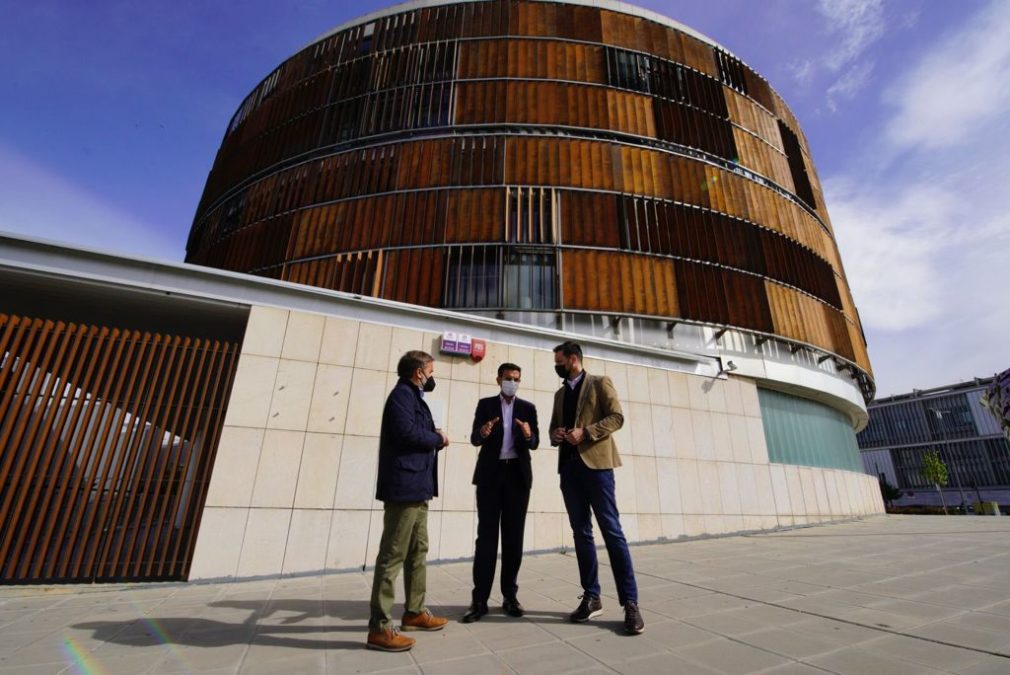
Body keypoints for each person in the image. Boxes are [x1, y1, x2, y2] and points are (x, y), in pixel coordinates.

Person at [549, 340, 645, 635]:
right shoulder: (560, 394)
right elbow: (554, 431)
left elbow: (617, 418)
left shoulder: (600, 383)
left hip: (598, 468)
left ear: (573, 360)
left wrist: (586, 432)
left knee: (612, 531)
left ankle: (630, 603)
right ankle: (592, 597)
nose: (557, 367)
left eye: (560, 362)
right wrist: (557, 434)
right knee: (581, 533)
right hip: (569, 470)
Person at [366, 350, 450, 651]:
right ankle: (379, 628)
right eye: (431, 370)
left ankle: (414, 612)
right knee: (392, 555)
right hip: (404, 487)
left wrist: (434, 438)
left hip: (419, 487)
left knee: (418, 551)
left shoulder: (416, 399)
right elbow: (406, 433)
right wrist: (438, 438)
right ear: (418, 372)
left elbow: (418, 434)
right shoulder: (401, 396)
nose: (432, 376)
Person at [463, 363, 540, 622]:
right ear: (499, 380)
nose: (512, 382)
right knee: (486, 539)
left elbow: (535, 442)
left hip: (517, 478)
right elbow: (474, 438)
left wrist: (529, 435)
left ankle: (510, 596)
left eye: (517, 379)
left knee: (513, 539)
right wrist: (483, 432)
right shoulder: (485, 405)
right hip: (490, 477)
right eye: (508, 378)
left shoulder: (528, 409)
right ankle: (479, 600)